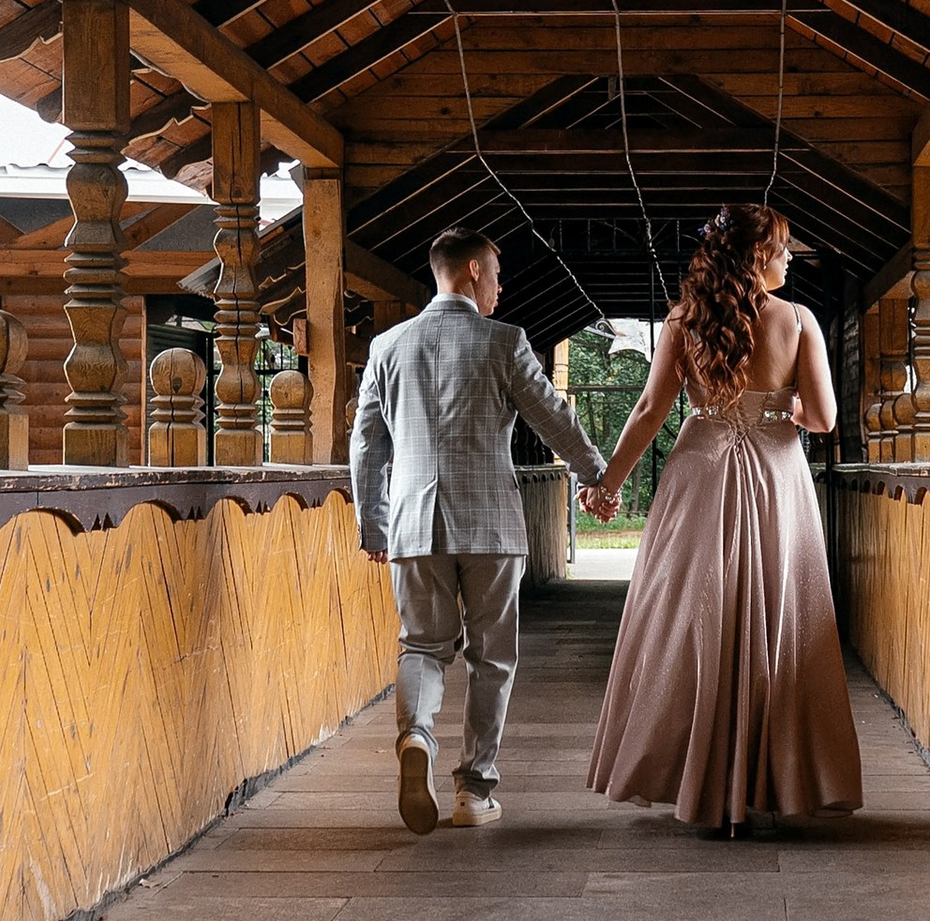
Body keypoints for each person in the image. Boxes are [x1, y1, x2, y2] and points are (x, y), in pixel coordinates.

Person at [584, 204, 862, 833]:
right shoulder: (799, 321)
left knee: (691, 617)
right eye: (784, 248)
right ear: (756, 256)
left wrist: (609, 485)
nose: (791, 258)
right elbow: (822, 419)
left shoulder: (683, 320)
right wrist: (782, 404)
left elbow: (651, 409)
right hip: (775, 477)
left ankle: (696, 776)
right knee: (775, 616)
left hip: (699, 470)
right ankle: (767, 781)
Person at [350, 224, 608, 834]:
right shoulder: (504, 342)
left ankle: (417, 736)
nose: (499, 285)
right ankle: (474, 792)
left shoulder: (387, 347)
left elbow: (365, 446)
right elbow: (553, 416)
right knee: (491, 660)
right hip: (491, 525)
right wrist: (597, 473)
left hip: (414, 526)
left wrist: (373, 523)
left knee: (422, 647)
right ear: (471, 271)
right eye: (495, 273)